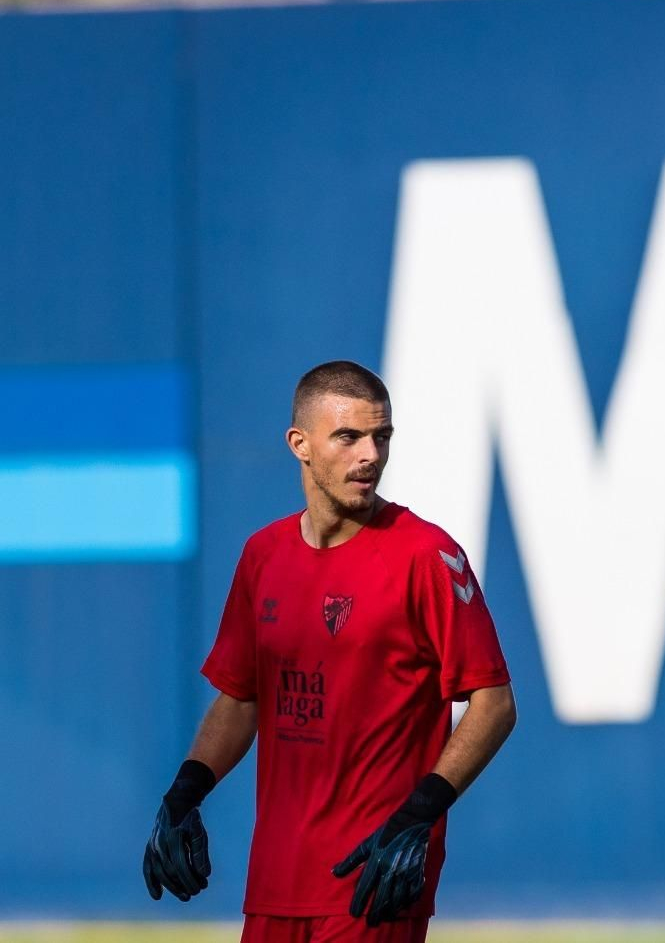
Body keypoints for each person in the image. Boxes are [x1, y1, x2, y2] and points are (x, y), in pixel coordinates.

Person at [142, 360, 517, 943]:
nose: (370, 454)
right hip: (274, 882)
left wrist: (419, 815)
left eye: (382, 436)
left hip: (371, 879)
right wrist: (184, 794)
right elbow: (242, 700)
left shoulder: (427, 556)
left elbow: (493, 703)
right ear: (301, 444)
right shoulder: (262, 556)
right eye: (349, 436)